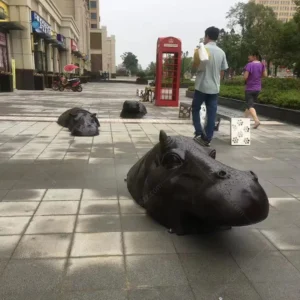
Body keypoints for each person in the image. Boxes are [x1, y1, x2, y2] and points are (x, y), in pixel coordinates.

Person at [192, 26, 228, 147]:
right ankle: (208, 138)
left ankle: (198, 132)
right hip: (214, 88)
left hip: (201, 86)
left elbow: (195, 67)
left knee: (196, 108)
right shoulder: (221, 52)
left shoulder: (201, 50)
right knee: (212, 113)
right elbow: (222, 71)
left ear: (207, 36)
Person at [243, 51, 267, 129]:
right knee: (249, 105)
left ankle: (256, 120)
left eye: (250, 56)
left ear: (255, 56)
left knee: (250, 105)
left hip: (250, 88)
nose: (248, 57)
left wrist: (246, 79)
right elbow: (265, 75)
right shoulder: (262, 65)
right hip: (258, 88)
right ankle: (244, 120)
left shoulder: (249, 65)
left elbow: (245, 77)